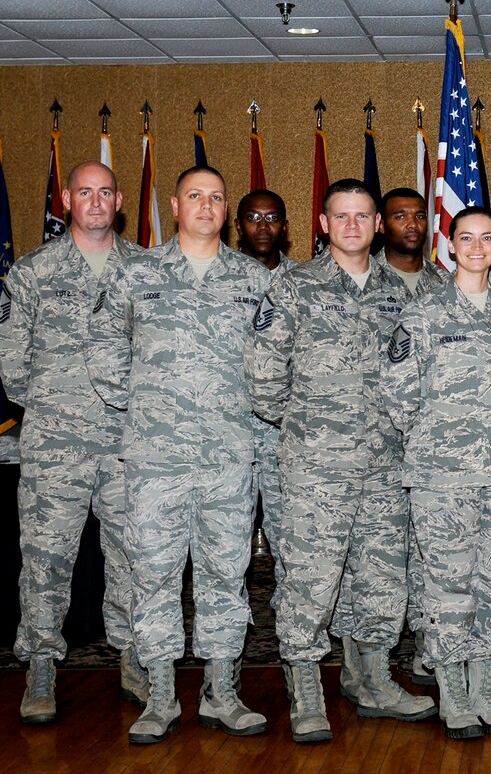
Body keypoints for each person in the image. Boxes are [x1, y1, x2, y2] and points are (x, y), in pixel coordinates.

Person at [244, 178, 435, 744]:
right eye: (341, 216)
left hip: (384, 464)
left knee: (381, 578)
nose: (353, 225)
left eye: (363, 216)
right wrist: (306, 425)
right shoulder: (293, 286)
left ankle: (372, 679)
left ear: (379, 225)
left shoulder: (406, 293)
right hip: (316, 467)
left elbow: (418, 374)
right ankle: (305, 690)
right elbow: (262, 376)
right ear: (323, 224)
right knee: (310, 582)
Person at [85, 165, 270, 743]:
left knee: (225, 574)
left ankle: (221, 692)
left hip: (228, 457)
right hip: (155, 459)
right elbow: (104, 345)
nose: (207, 206)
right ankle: (161, 695)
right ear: (174, 204)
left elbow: (271, 360)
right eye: (195, 196)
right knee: (155, 575)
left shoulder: (254, 279)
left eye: (216, 198)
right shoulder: (135, 272)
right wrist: (145, 404)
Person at [0, 161, 145, 725]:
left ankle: (134, 659)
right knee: (46, 560)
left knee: (133, 557)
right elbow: (10, 358)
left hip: (128, 442)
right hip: (55, 445)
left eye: (106, 192)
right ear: (66, 199)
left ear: (120, 200)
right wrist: (61, 402)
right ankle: (40, 667)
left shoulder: (145, 270)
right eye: (85, 192)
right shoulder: (33, 272)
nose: (97, 201)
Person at [382, 206, 491, 739]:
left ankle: (486, 687)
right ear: (450, 244)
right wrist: (437, 437)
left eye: (486, 238)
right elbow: (396, 392)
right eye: (465, 237)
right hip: (442, 477)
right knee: (448, 587)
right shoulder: (423, 315)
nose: (476, 246)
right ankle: (453, 693)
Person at [341, 187, 446, 687]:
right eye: (399, 215)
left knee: (430, 557)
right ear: (381, 224)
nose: (411, 223)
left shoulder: (446, 286)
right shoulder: (362, 281)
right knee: (365, 561)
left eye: (419, 215)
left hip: (431, 450)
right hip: (368, 448)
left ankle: (430, 653)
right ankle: (355, 664)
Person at [235, 189, 294, 609]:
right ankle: (228, 639)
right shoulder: (218, 280)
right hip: (229, 429)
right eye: (252, 217)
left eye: (271, 218)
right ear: (237, 226)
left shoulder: (304, 283)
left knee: (290, 532)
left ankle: (295, 630)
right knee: (226, 540)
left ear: (285, 227)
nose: (262, 226)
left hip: (283, 431)